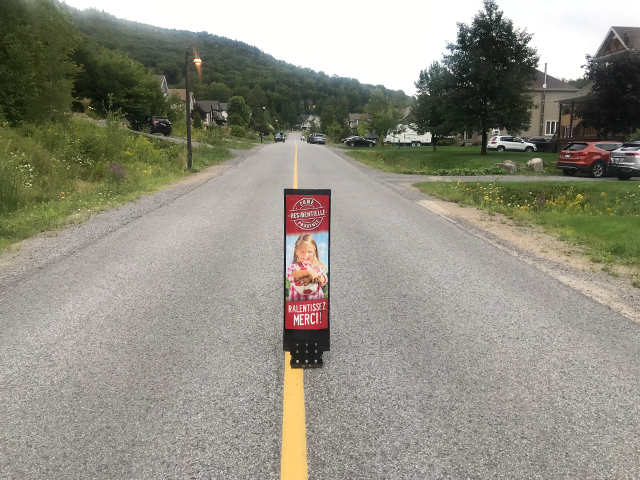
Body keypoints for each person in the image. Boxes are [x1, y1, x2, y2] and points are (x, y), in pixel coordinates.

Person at [287, 234, 327, 301]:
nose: (306, 255)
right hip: (297, 303)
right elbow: (293, 273)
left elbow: (324, 279)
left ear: (314, 251)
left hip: (315, 303)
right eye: (302, 252)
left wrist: (311, 278)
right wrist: (309, 272)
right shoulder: (294, 266)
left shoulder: (317, 267)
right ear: (296, 251)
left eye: (310, 252)